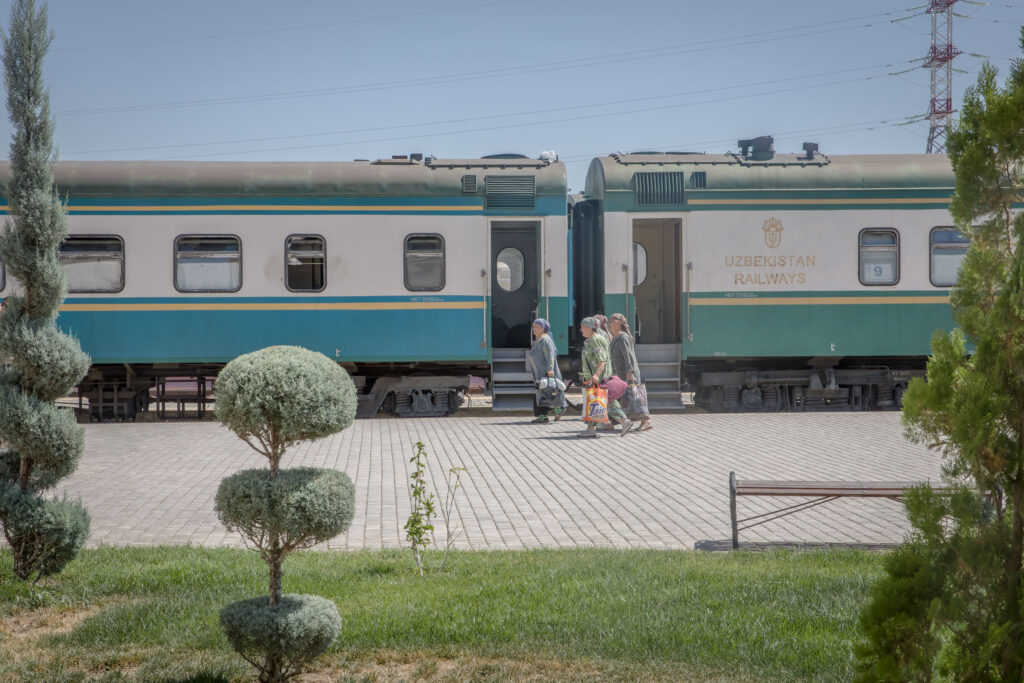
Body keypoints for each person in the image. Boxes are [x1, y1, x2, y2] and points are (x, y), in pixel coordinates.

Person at [578, 316, 630, 437]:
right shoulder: (590, 340)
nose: (580, 330)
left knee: (602, 401)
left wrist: (596, 375)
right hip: (595, 377)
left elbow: (602, 360)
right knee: (598, 401)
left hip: (601, 377)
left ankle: (624, 421)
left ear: (589, 328)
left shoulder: (596, 340)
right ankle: (591, 429)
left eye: (582, 327)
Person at [609, 312, 653, 432]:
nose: (609, 325)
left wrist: (630, 372)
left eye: (611, 322)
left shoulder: (623, 338)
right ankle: (612, 421)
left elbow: (628, 356)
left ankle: (646, 421)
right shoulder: (616, 338)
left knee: (636, 397)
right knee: (619, 398)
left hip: (627, 374)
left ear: (618, 323)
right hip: (619, 374)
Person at [527, 318, 566, 423]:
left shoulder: (545, 339)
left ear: (542, 328)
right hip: (541, 372)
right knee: (544, 393)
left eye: (536, 326)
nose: (533, 329)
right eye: (533, 326)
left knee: (550, 392)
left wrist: (549, 369)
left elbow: (550, 355)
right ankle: (544, 416)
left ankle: (559, 410)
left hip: (546, 372)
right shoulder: (542, 339)